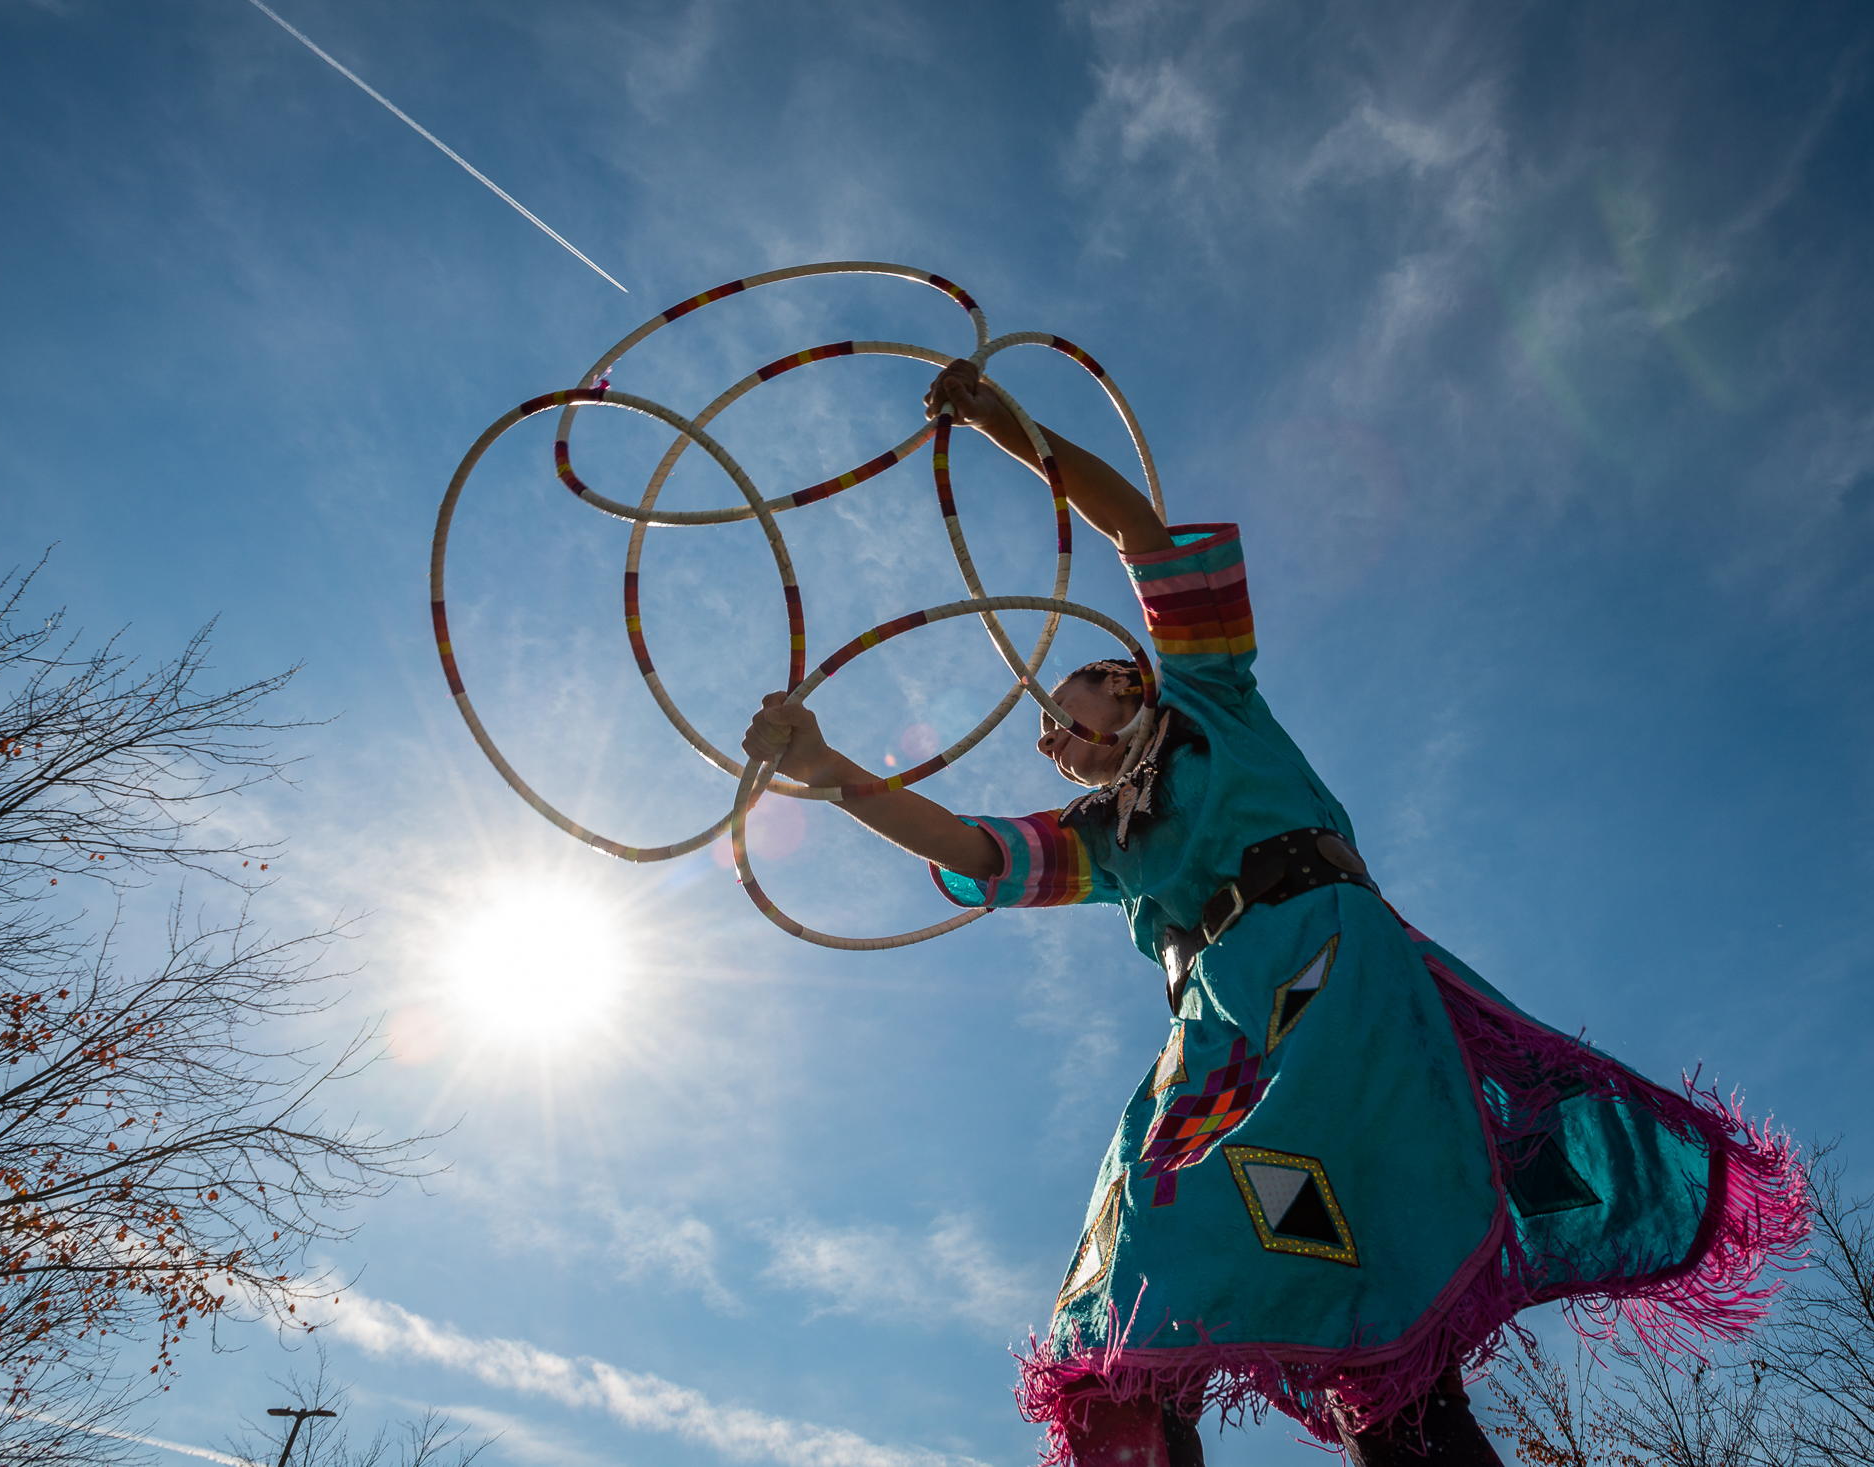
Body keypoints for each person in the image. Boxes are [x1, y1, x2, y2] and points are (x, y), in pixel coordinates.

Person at [742, 361, 1806, 1467]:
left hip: (1326, 964)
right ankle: (1205, 1428)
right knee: (1154, 1222)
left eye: (1065, 710)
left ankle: (1388, 1404)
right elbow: (971, 849)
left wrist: (1006, 428)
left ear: (1131, 688)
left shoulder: (1212, 699)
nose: (1050, 741)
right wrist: (825, 771)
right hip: (1217, 1024)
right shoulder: (1109, 840)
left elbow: (1136, 536)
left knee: (1333, 1241)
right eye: (1041, 737)